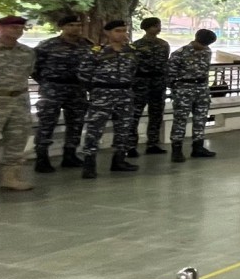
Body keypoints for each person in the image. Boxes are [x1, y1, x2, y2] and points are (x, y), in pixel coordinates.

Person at [79, 19, 138, 180]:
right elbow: (84, 74)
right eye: (117, 31)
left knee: (123, 129)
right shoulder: (97, 51)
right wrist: (97, 88)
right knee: (94, 129)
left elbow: (134, 71)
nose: (122, 34)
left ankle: (119, 160)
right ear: (108, 33)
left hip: (125, 94)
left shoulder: (131, 51)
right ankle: (89, 164)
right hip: (102, 94)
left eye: (124, 31)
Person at [31, 13, 91, 171]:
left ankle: (70, 154)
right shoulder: (47, 46)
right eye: (71, 25)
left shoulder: (87, 45)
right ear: (62, 27)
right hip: (53, 89)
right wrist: (47, 83)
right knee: (47, 122)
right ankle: (42, 157)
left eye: (78, 25)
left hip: (77, 89)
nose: (76, 28)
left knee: (76, 123)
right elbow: (34, 68)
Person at [0, 15, 36, 191]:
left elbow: (28, 73)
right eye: (12, 27)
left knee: (17, 141)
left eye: (20, 28)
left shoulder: (27, 52)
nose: (17, 31)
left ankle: (10, 178)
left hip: (19, 102)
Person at [167, 29, 218, 162]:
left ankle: (198, 148)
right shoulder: (179, 53)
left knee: (200, 119)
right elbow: (170, 75)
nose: (204, 47)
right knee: (180, 120)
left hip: (201, 90)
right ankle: (177, 150)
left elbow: (205, 71)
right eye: (202, 44)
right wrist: (177, 90)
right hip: (184, 90)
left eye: (207, 45)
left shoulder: (207, 51)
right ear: (196, 39)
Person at [125, 16, 171, 158]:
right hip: (141, 83)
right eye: (156, 26)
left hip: (158, 83)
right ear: (149, 28)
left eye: (159, 25)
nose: (159, 28)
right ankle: (131, 146)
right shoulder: (136, 45)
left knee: (156, 114)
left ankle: (153, 144)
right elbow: (132, 66)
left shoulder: (164, 44)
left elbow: (165, 63)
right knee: (135, 114)